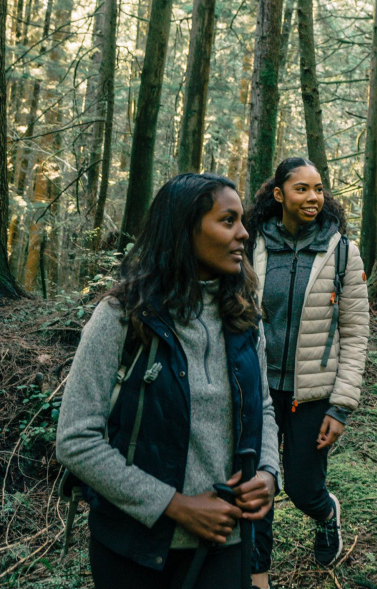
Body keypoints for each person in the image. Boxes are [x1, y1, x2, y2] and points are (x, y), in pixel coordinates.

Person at [56, 173, 280, 589]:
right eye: (227, 221)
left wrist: (267, 472)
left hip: (225, 545)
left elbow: (263, 406)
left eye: (242, 221)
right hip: (134, 550)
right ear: (184, 230)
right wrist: (175, 506)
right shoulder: (121, 317)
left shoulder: (245, 316)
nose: (245, 233)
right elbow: (75, 439)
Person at [246, 157, 369, 588]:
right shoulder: (252, 245)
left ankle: (325, 511)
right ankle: (258, 575)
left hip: (313, 394)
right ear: (279, 194)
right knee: (257, 487)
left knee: (300, 486)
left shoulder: (341, 252)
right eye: (302, 189)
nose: (313, 197)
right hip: (256, 388)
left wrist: (342, 406)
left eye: (318, 189)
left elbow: (355, 333)